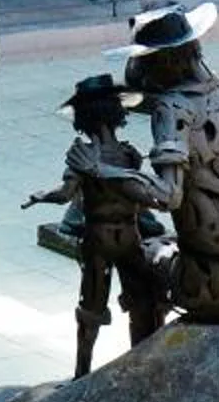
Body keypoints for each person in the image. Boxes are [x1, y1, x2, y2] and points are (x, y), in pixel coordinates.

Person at [118, 2, 219, 322]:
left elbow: (167, 196)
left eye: (145, 61)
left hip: (211, 288)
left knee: (134, 255)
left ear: (162, 61)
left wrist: (113, 175)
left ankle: (147, 362)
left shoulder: (172, 109)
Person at [24, 73, 171, 374]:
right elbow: (137, 197)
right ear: (116, 113)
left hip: (99, 239)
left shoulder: (82, 155)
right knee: (140, 300)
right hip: (130, 234)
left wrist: (42, 195)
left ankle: (82, 372)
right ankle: (141, 362)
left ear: (84, 118)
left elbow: (65, 194)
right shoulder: (129, 155)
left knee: (91, 308)